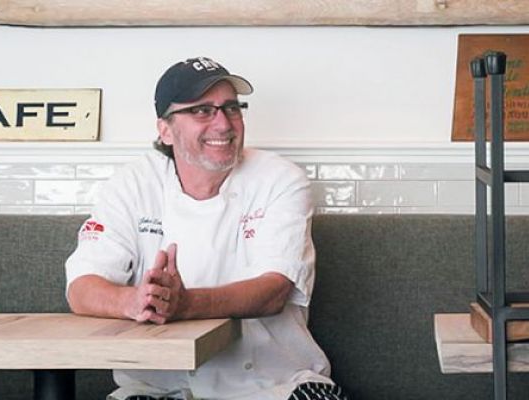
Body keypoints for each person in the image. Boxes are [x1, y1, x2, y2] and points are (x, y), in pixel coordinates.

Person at [65, 57, 348, 400]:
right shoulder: (132, 184)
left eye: (231, 108)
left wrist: (184, 304)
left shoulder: (280, 180)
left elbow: (274, 291)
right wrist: (137, 300)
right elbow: (81, 287)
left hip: (273, 385)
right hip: (158, 388)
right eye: (202, 111)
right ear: (165, 129)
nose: (224, 123)